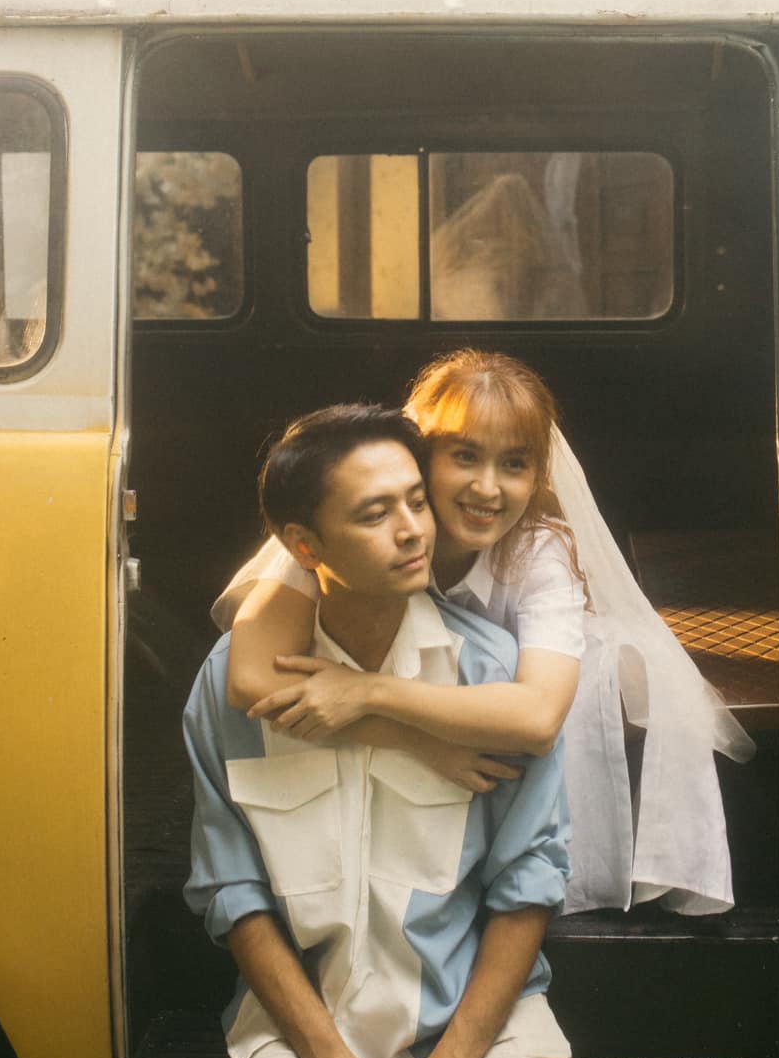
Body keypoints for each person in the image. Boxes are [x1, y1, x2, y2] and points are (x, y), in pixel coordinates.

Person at [184, 402, 587, 1058]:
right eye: (375, 515)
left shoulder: (492, 678)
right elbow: (235, 895)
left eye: (415, 501)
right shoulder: (233, 688)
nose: (414, 531)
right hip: (304, 1030)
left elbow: (527, 887)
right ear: (303, 548)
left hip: (482, 1028)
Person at [214, 350, 751, 916]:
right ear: (421, 456)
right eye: (465, 456)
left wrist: (366, 691)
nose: (488, 489)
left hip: (528, 730)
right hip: (430, 741)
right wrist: (411, 739)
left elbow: (538, 720)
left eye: (515, 464)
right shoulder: (357, 526)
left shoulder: (540, 553)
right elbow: (250, 677)